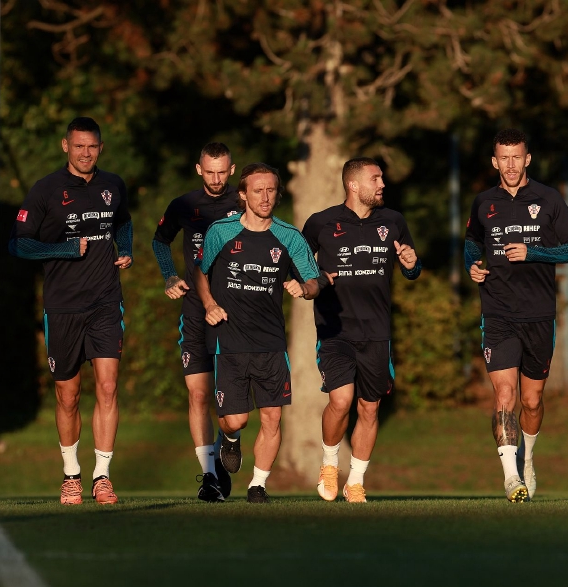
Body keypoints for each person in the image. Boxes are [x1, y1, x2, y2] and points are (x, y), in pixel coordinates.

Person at [8, 116, 133, 506]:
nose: (85, 153)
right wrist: (62, 249)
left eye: (92, 146)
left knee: (108, 387)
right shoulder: (45, 190)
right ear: (66, 146)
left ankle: (102, 477)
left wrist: (126, 248)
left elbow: (123, 222)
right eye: (79, 146)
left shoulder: (113, 185)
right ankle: (71, 475)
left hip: (105, 301)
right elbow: (18, 244)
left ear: (101, 148)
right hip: (62, 306)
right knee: (68, 394)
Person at [193, 162, 325, 503]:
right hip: (229, 338)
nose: (265, 197)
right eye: (257, 191)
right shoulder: (220, 232)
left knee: (272, 416)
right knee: (235, 420)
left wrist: (305, 288)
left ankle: (258, 485)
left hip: (271, 341)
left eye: (270, 190)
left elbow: (314, 280)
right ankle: (230, 440)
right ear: (243, 194)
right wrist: (209, 304)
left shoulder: (289, 236)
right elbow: (200, 272)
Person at [464, 128, 568, 502]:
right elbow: (472, 244)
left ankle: (527, 459)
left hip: (539, 313)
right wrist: (472, 265)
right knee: (505, 394)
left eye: (517, 157)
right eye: (504, 158)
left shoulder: (548, 199)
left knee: (531, 401)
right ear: (494, 162)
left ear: (527, 159)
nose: (511, 165)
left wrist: (535, 253)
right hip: (497, 311)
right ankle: (511, 478)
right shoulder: (483, 202)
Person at [302, 157, 421, 503]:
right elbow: (299, 266)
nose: (382, 184)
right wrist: (313, 280)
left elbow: (412, 267)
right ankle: (329, 464)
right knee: (341, 401)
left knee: (369, 408)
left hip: (377, 331)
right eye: (375, 179)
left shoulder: (393, 221)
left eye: (381, 178)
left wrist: (411, 265)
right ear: (353, 185)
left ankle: (355, 481)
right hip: (335, 329)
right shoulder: (321, 222)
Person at [151, 143, 239, 502]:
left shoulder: (246, 201)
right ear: (199, 169)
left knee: (232, 405)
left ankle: (227, 443)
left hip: (237, 313)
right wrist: (170, 276)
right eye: (210, 171)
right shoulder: (184, 205)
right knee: (199, 394)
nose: (216, 179)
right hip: (195, 311)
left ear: (232, 170)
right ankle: (209, 477)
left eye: (222, 172)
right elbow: (160, 242)